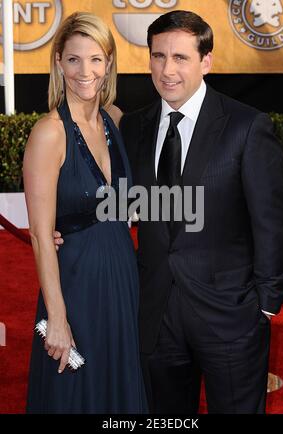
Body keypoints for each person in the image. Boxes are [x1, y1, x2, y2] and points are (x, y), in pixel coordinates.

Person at [55, 10, 283, 414]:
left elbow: (272, 219)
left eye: (180, 57)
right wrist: (71, 229)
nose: (167, 70)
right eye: (159, 56)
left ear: (206, 61)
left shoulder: (246, 126)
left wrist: (265, 303)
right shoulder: (132, 128)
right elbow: (120, 202)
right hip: (155, 316)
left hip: (230, 318)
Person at [24, 11, 147, 414]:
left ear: (109, 63)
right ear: (58, 61)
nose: (85, 70)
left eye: (95, 59)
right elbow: (42, 236)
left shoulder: (115, 120)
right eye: (74, 59)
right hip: (76, 282)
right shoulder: (49, 133)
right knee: (76, 393)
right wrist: (57, 318)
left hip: (122, 276)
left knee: (119, 384)